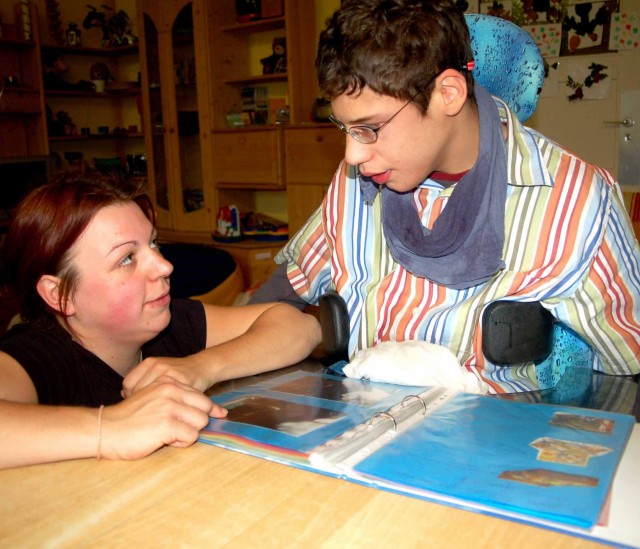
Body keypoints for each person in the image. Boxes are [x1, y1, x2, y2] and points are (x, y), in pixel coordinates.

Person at [251, 0, 640, 393]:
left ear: (448, 93)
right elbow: (288, 286)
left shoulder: (578, 200)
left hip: (494, 421)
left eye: (370, 128)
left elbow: (627, 362)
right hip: (361, 413)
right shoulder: (357, 178)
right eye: (346, 128)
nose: (352, 155)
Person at [0, 171, 321, 469]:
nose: (164, 266)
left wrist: (202, 367)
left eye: (153, 243)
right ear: (61, 295)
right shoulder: (33, 355)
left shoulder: (171, 322)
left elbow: (300, 326)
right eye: (127, 258)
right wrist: (112, 428)